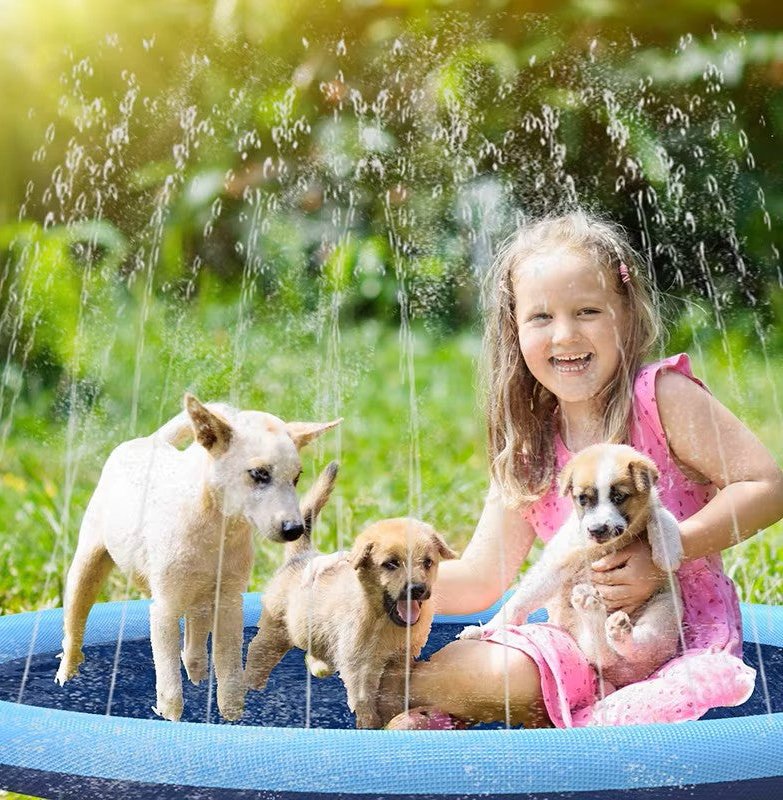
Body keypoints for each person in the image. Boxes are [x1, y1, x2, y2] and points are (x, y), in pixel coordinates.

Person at [310, 211, 783, 729]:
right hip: (578, 642)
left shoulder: (660, 398)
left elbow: (766, 484)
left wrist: (666, 551)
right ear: (514, 330)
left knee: (663, 700)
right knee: (500, 665)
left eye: (587, 311)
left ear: (626, 312)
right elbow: (483, 579)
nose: (565, 335)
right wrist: (367, 579)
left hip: (679, 637)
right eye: (541, 318)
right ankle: (409, 696)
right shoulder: (530, 445)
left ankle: (420, 704)